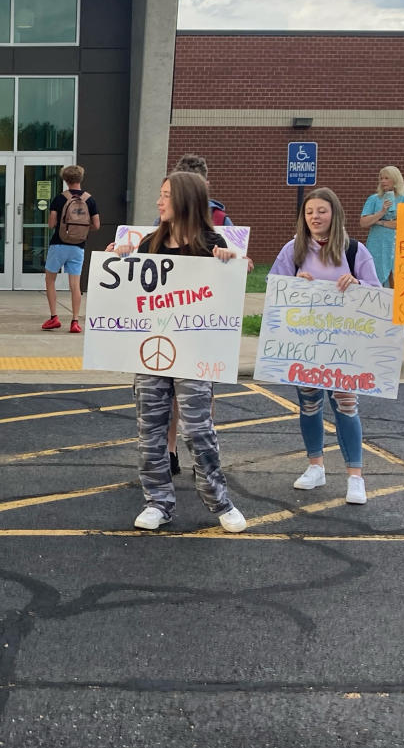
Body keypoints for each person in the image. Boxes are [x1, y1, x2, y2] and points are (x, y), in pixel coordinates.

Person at [113, 171, 247, 534]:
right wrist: (121, 256)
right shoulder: (150, 243)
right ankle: (157, 501)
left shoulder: (209, 243)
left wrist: (232, 260)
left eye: (166, 195)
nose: (159, 202)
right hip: (153, 354)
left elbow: (236, 277)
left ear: (185, 200)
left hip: (194, 355)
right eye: (159, 194)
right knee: (150, 430)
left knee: (197, 430)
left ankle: (220, 501)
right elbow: (129, 290)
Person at [269, 186, 380, 505]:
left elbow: (377, 292)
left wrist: (357, 285)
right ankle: (315, 466)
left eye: (321, 211)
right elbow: (274, 286)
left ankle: (355, 477)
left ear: (334, 214)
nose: (315, 217)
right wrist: (294, 284)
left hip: (345, 343)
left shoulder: (354, 250)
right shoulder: (293, 249)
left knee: (346, 405)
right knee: (309, 404)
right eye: (309, 212)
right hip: (305, 342)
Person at [42, 165, 100, 333]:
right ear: (80, 179)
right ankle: (75, 321)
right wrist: (80, 229)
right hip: (78, 247)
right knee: (75, 285)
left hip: (59, 245)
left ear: (65, 180)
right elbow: (96, 225)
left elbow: (51, 224)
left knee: (50, 280)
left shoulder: (59, 199)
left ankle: (54, 318)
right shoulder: (90, 200)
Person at [360, 165, 404, 286]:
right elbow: (363, 222)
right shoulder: (373, 199)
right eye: (381, 178)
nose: (383, 181)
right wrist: (382, 212)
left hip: (394, 244)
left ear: (395, 180)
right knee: (375, 274)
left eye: (386, 178)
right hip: (376, 244)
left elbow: (402, 224)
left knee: (394, 278)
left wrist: (379, 222)